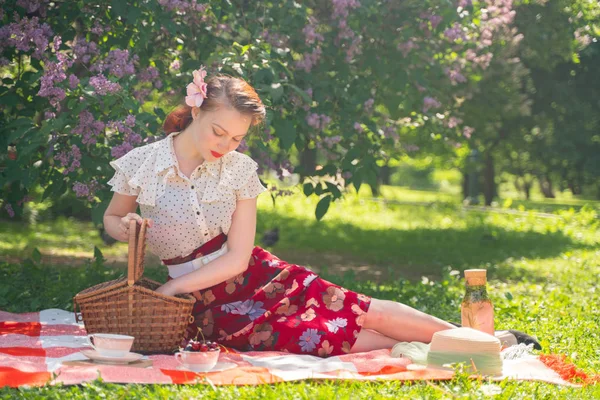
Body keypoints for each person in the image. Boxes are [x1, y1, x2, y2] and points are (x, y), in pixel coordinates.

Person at [103, 67, 540, 356]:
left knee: (362, 310)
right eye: (218, 131)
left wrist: (169, 291)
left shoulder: (239, 170)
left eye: (236, 138)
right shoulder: (142, 163)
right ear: (195, 110)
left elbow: (239, 256)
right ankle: (478, 347)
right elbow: (111, 219)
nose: (225, 145)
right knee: (340, 338)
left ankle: (484, 343)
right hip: (206, 305)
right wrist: (128, 229)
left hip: (256, 275)